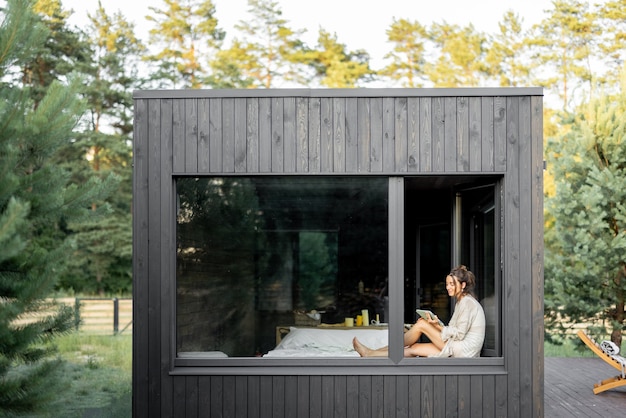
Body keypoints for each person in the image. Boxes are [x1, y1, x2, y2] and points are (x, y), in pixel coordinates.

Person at [352, 265, 485, 358]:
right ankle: (371, 354)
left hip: (464, 351)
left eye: (452, 284)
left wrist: (436, 325)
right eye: (447, 284)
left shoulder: (467, 303)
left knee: (421, 325)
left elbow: (459, 334)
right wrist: (436, 324)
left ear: (462, 285)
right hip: (457, 346)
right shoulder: (462, 301)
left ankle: (373, 352)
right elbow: (454, 331)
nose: (448, 287)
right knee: (413, 349)